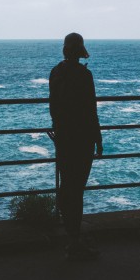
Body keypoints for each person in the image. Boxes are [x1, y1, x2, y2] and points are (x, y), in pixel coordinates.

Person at [49, 32, 103, 261]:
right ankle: (75, 241)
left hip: (63, 138)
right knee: (77, 189)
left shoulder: (55, 73)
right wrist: (98, 139)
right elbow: (91, 111)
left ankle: (72, 236)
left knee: (67, 185)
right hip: (82, 139)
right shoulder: (84, 75)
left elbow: (53, 106)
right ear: (81, 51)